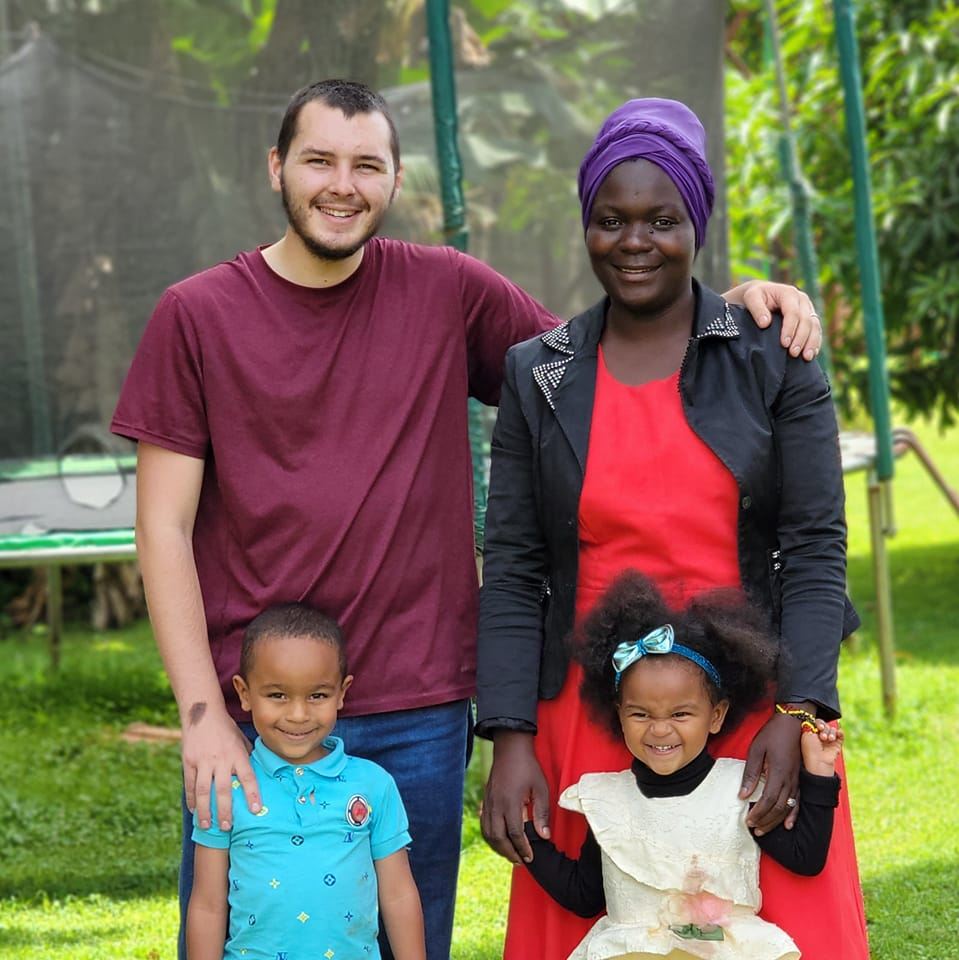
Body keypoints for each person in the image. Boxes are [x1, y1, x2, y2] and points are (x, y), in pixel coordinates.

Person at [110, 78, 823, 960]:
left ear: (395, 179)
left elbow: (619, 342)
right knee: (239, 936)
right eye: (319, 160)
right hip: (260, 704)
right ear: (275, 168)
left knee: (408, 938)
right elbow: (163, 529)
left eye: (366, 164)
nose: (343, 184)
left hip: (421, 700)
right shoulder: (196, 315)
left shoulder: (446, 290)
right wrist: (201, 716)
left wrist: (737, 308)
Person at [476, 97, 869, 960]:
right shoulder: (538, 375)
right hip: (593, 715)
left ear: (696, 223)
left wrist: (796, 714)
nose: (634, 241)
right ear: (586, 224)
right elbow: (510, 565)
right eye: (610, 220)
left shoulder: (772, 357)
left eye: (661, 219)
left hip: (751, 707)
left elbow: (812, 547)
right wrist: (509, 737)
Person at [522, 570, 844, 960]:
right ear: (618, 714)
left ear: (716, 716)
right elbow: (584, 895)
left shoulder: (737, 791)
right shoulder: (608, 802)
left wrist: (819, 772)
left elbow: (805, 858)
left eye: (680, 714)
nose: (660, 730)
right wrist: (527, 841)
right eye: (640, 714)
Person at [186, 604, 425, 960]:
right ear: (244, 693)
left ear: (342, 693)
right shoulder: (226, 786)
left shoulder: (374, 784)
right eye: (277, 695)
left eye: (317, 695)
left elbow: (399, 894)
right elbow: (207, 905)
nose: (298, 715)